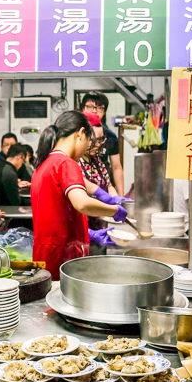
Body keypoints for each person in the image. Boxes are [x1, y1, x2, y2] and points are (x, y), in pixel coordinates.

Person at [31, 111, 129, 279]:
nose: (87, 148)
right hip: (63, 258)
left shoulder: (44, 165)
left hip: (46, 255)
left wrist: (88, 233)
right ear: (81, 134)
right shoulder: (66, 163)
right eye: (89, 142)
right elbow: (82, 203)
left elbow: (56, 215)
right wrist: (114, 210)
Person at [78, 112, 120, 231]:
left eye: (101, 140)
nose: (98, 144)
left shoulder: (97, 158)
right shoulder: (74, 160)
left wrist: (116, 198)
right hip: (83, 224)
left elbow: (108, 184)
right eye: (95, 140)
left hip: (101, 220)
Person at [80, 91, 125, 196]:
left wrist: (121, 197)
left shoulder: (110, 136)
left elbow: (116, 167)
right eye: (90, 107)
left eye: (100, 108)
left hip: (104, 184)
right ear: (83, 109)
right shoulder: (73, 132)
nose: (94, 111)